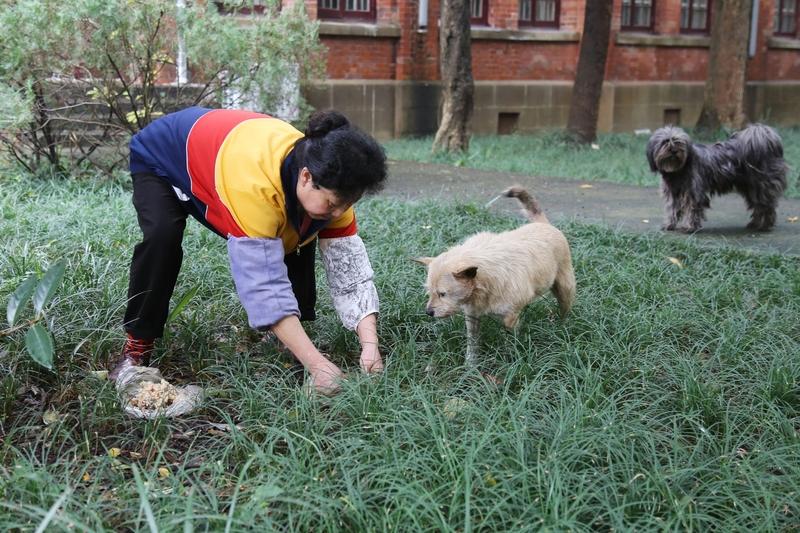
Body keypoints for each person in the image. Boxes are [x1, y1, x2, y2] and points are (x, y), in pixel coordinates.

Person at [109, 106, 388, 394]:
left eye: (347, 203)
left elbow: (350, 273)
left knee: (300, 230)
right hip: (164, 157)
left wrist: (370, 346)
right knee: (162, 237)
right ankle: (137, 346)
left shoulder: (334, 186)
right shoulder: (254, 188)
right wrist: (318, 366)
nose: (339, 211)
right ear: (305, 177)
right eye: (332, 203)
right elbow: (263, 285)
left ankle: (285, 337)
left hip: (227, 154)